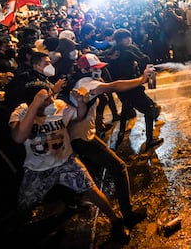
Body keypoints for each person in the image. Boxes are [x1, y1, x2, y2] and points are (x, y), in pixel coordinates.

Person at [8, 82, 131, 242]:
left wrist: (80, 103)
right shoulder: (21, 112)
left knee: (91, 190)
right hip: (37, 170)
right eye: (46, 99)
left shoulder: (58, 106)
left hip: (66, 162)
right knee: (25, 205)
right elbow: (18, 137)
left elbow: (79, 116)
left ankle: (116, 222)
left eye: (50, 96)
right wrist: (36, 104)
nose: (51, 100)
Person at [64, 53, 154, 228]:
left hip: (85, 135)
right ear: (83, 70)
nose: (98, 72)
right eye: (93, 69)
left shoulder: (82, 82)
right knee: (118, 168)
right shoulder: (86, 83)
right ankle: (127, 216)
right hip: (81, 139)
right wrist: (142, 79)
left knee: (93, 178)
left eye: (99, 68)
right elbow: (115, 86)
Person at [105, 28, 163, 149]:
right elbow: (145, 59)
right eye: (128, 37)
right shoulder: (129, 48)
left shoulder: (111, 51)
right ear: (124, 39)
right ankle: (150, 139)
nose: (129, 39)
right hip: (132, 86)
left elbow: (102, 57)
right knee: (149, 109)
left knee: (126, 107)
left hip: (120, 88)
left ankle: (121, 132)